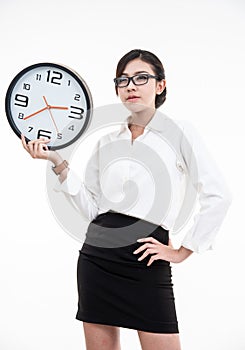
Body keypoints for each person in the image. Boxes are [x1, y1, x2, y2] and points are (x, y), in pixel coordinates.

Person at [21, 49, 232, 350]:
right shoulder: (107, 141)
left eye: (141, 78)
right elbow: (93, 209)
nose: (131, 85)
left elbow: (219, 194)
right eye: (123, 80)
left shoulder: (180, 132)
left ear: (160, 85)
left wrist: (184, 250)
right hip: (97, 259)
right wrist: (56, 160)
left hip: (147, 260)